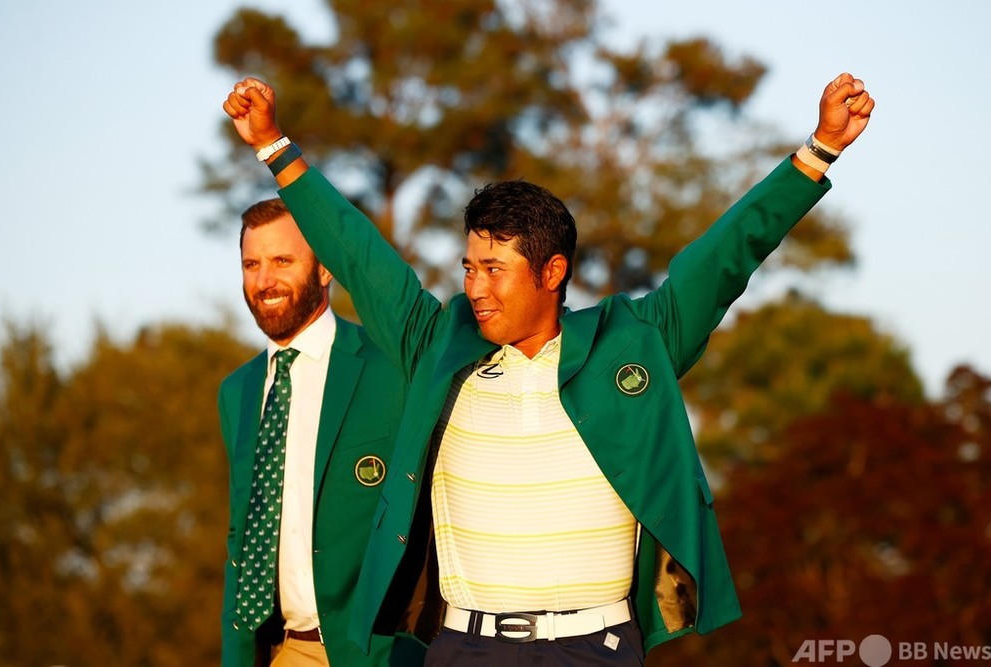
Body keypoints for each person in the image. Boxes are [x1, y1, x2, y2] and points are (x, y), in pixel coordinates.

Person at [222, 72, 873, 665]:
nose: (475, 287)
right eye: (469, 268)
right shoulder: (437, 344)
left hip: (598, 647)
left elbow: (727, 257)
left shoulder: (636, 344)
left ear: (552, 272)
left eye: (495, 270)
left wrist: (817, 151)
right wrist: (275, 146)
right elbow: (355, 252)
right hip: (464, 648)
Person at [218, 199, 418, 666]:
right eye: (252, 264)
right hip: (286, 651)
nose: (264, 280)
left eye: (282, 261)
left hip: (376, 652)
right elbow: (240, 540)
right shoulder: (238, 391)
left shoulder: (388, 367)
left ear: (325, 269)